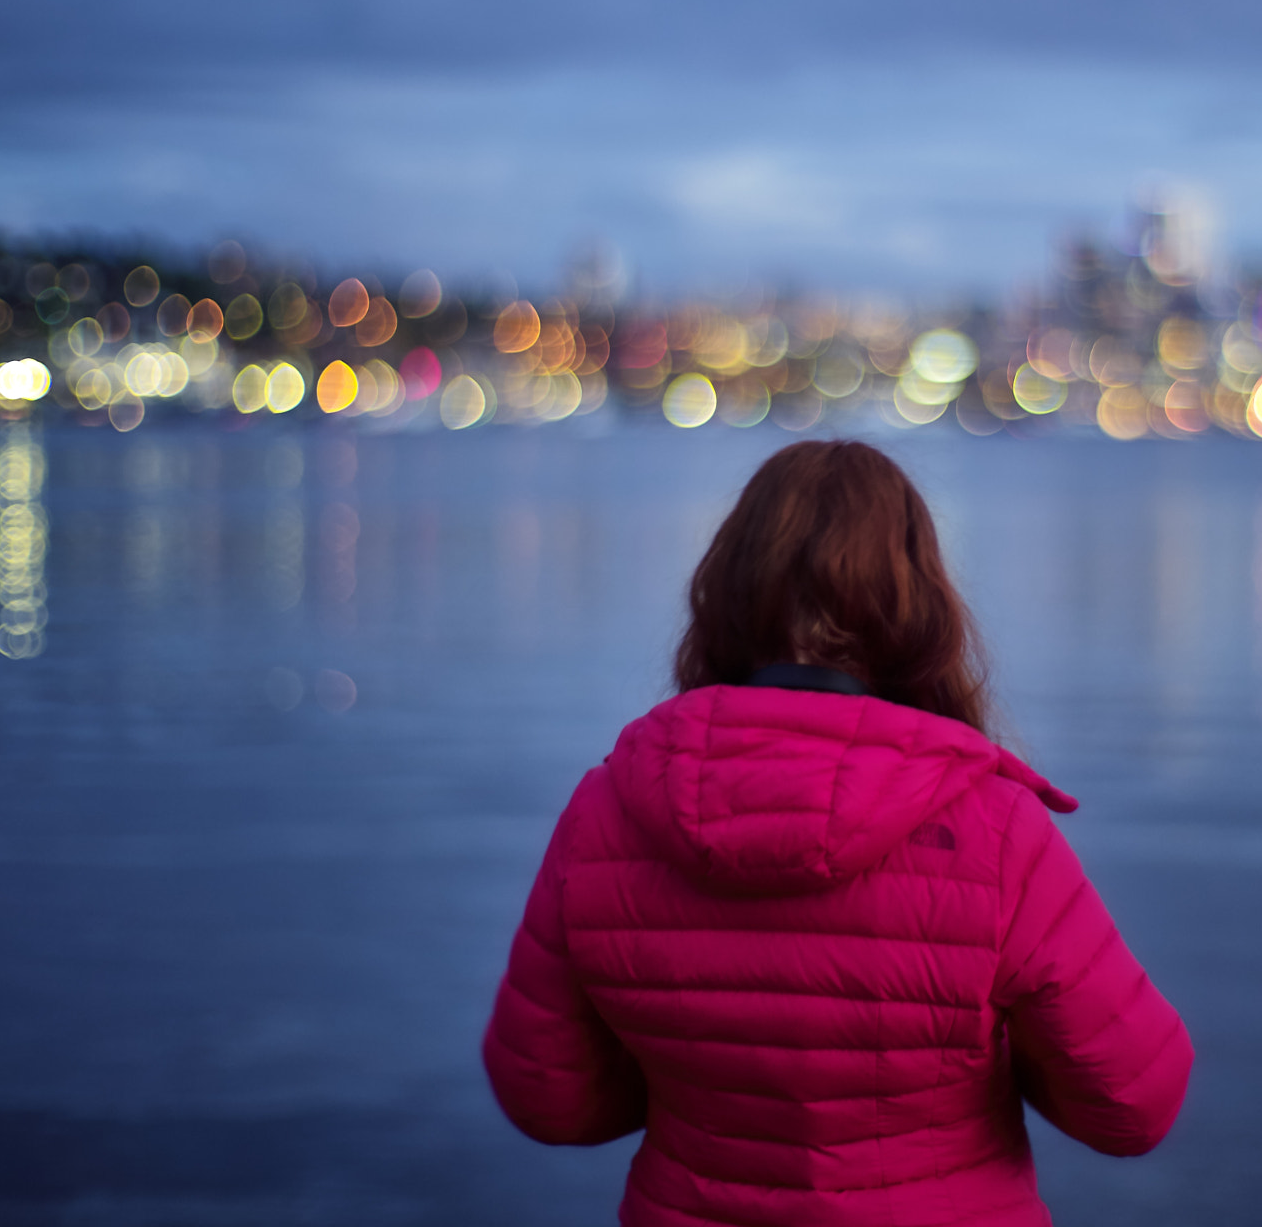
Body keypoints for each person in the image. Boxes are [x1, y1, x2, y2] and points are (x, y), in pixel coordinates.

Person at [483, 439, 1193, 1226]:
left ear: (726, 584)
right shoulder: (992, 828)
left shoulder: (606, 812)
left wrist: (697, 1077)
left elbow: (547, 1097)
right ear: (918, 597)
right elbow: (1134, 1106)